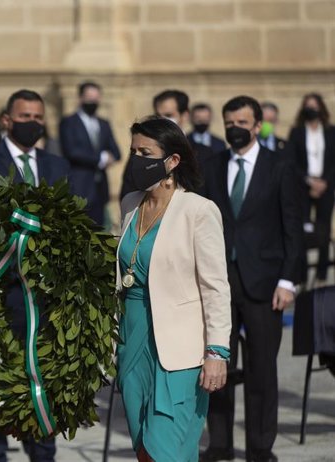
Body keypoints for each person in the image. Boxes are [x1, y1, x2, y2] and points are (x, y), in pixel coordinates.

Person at [116, 116, 230, 462]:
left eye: (145, 152)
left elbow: (215, 288)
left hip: (180, 352)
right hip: (133, 342)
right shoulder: (129, 205)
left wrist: (217, 352)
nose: (137, 159)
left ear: (172, 161)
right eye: (133, 151)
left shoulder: (198, 210)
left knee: (163, 450)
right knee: (143, 450)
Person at [0, 89, 69, 462]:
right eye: (25, 117)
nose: (33, 123)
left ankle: (43, 450)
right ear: (7, 121)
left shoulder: (58, 166)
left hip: (43, 295)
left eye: (38, 117)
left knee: (41, 377)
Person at [201, 96, 302, 462]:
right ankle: (220, 443)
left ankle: (260, 447)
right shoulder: (210, 167)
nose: (235, 128)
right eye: (229, 122)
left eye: (242, 122)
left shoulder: (281, 167)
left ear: (258, 125)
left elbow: (293, 227)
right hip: (219, 285)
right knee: (216, 367)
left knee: (261, 370)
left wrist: (288, 280)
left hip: (265, 284)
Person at [121, 89, 216, 198]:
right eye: (158, 115)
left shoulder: (204, 153)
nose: (162, 119)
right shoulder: (140, 152)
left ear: (184, 116)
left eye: (168, 115)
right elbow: (128, 191)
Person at [288, 93, 335, 285]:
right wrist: (309, 181)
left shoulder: (331, 131)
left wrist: (324, 182)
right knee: (304, 228)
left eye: (314, 106)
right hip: (304, 186)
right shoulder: (297, 132)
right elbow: (293, 161)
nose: (311, 109)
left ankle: (322, 274)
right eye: (308, 106)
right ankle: (304, 273)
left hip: (326, 186)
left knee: (324, 228)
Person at [59, 81, 121, 226]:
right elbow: (71, 151)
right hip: (79, 187)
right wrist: (100, 158)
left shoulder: (103, 124)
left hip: (100, 189)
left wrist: (109, 157)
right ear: (80, 98)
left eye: (96, 98)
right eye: (89, 97)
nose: (93, 101)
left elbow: (116, 152)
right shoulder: (69, 122)